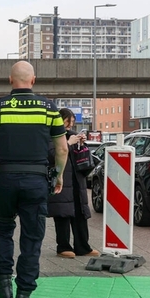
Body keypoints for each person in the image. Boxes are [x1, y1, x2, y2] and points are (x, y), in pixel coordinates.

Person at [0, 61, 68, 298]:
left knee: (2, 232)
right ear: (33, 80)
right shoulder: (49, 108)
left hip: (3, 181)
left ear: (10, 80)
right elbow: (62, 149)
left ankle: (4, 289)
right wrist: (58, 175)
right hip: (36, 182)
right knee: (32, 239)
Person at [47, 108, 100, 259]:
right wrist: (68, 144)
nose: (70, 125)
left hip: (77, 181)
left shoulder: (73, 136)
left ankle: (83, 246)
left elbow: (83, 159)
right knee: (63, 213)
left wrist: (81, 145)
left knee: (80, 213)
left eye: (72, 122)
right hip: (61, 181)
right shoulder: (51, 136)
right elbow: (51, 156)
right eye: (67, 121)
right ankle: (63, 247)